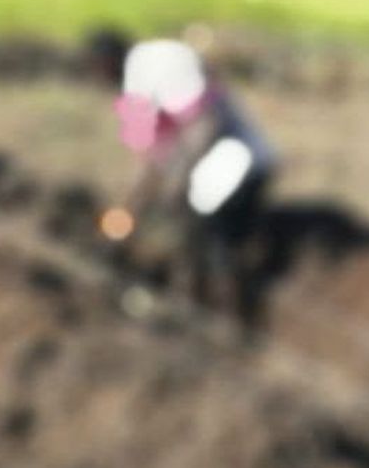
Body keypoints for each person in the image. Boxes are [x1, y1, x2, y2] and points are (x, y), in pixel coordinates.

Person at [92, 33, 277, 323]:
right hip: (223, 163)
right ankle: (200, 307)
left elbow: (204, 124)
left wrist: (174, 181)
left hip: (236, 160)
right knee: (192, 229)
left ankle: (225, 317)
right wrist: (125, 214)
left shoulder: (156, 65)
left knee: (211, 236)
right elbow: (148, 160)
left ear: (106, 63)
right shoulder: (137, 84)